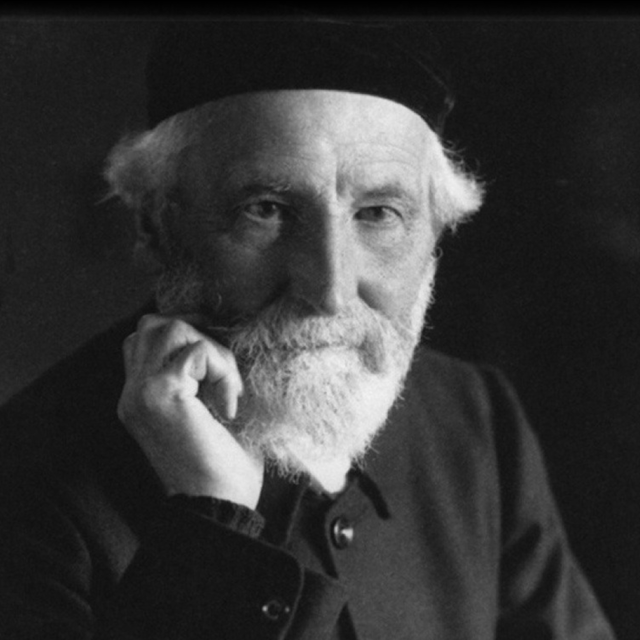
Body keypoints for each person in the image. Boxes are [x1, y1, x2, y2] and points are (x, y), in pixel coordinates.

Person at [0, 19, 616, 640]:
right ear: (156, 224)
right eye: (266, 210)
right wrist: (212, 519)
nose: (329, 290)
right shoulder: (24, 484)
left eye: (378, 214)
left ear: (436, 231)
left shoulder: (476, 422)